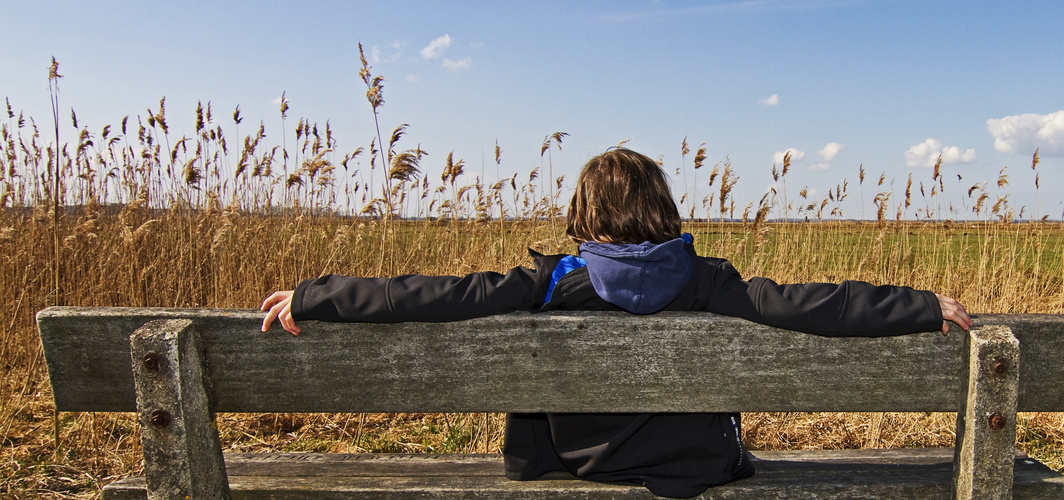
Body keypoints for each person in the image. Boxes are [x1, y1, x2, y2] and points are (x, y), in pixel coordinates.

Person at [260, 147, 971, 498]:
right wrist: (919, 305)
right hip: (695, 469)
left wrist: (317, 296)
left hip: (580, 463)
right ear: (665, 209)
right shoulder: (707, 282)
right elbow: (818, 304)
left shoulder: (551, 282)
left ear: (584, 217)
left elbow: (427, 296)